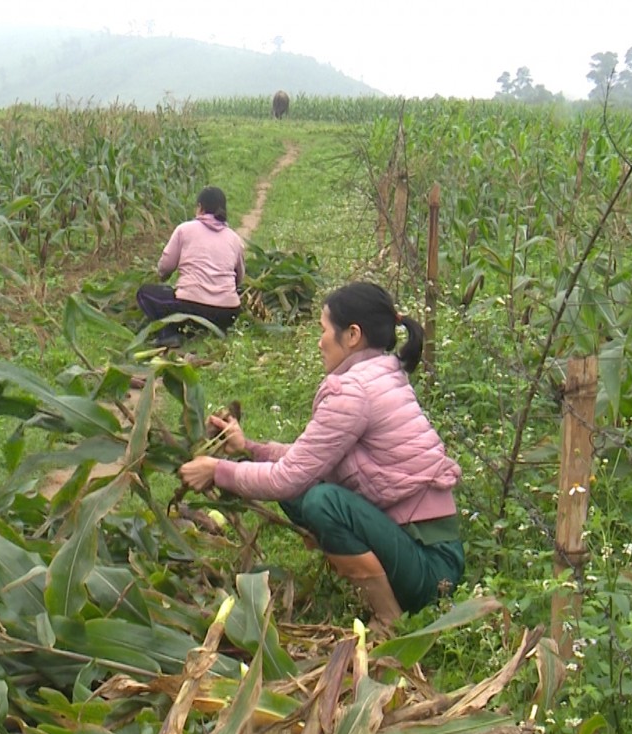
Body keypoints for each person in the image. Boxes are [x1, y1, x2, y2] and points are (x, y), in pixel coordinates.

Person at [178, 281, 463, 625]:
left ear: (353, 335)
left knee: (319, 500)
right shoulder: (379, 374)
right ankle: (357, 564)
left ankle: (389, 618)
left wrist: (217, 470)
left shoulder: (354, 391)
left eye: (324, 330)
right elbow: (305, 461)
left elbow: (287, 477)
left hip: (432, 570)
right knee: (303, 490)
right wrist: (248, 448)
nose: (319, 341)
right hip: (416, 548)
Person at [136, 186, 245, 348]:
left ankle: (169, 333)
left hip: (189, 308)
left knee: (145, 293)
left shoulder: (185, 229)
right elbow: (239, 278)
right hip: (227, 314)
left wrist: (162, 277)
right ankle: (202, 330)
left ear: (200, 207)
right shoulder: (235, 239)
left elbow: (165, 267)